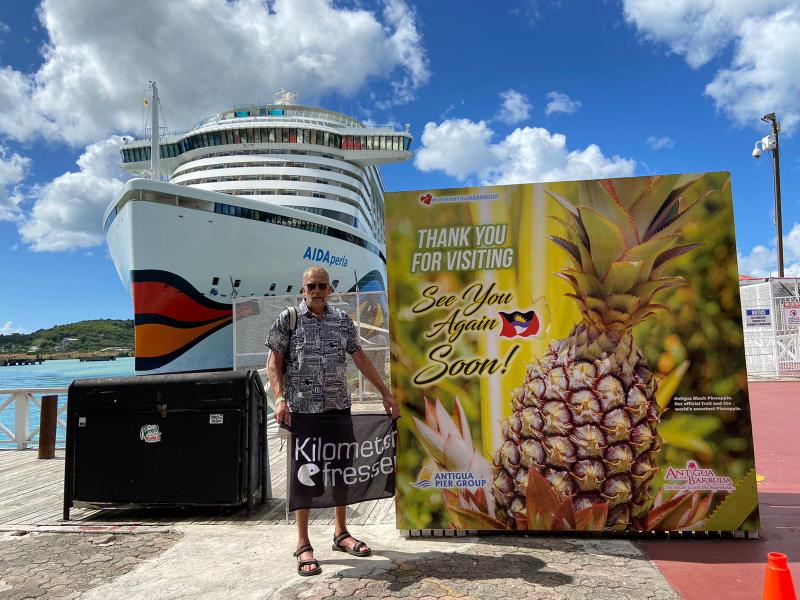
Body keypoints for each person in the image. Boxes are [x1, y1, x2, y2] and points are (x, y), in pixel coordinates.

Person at [266, 265, 399, 576]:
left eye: (322, 286)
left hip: (338, 407)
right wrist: (280, 398)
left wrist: (385, 392)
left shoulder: (342, 321)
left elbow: (360, 357)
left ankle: (341, 533)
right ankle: (302, 543)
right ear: (302, 290)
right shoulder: (289, 319)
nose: (316, 291)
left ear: (330, 289)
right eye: (311, 286)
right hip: (304, 412)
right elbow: (275, 361)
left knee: (341, 473)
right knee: (306, 476)